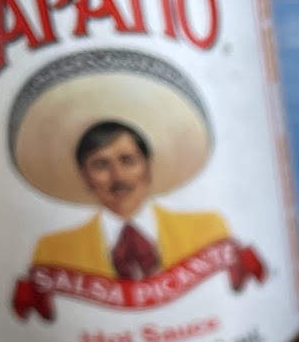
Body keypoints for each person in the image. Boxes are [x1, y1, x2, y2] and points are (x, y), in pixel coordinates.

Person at [30, 118, 230, 280]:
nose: (118, 176)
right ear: (85, 176)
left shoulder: (207, 229)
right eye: (101, 165)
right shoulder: (54, 251)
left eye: (128, 161)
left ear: (147, 167)